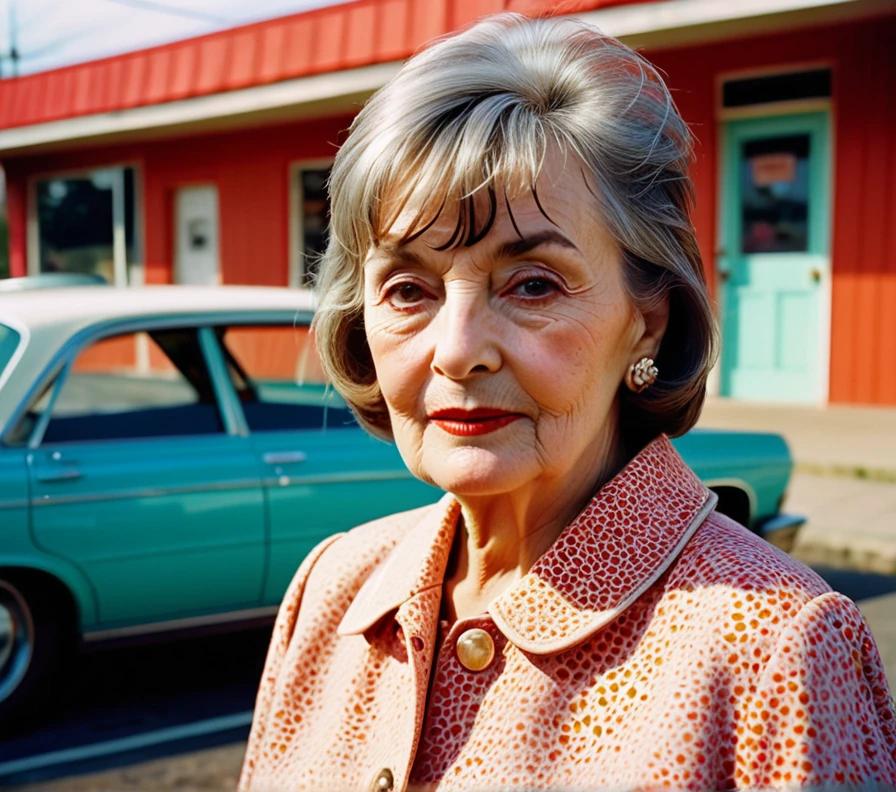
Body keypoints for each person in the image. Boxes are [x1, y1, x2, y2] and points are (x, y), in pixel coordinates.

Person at [239, 13, 896, 791]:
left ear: (646, 321)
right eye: (408, 288)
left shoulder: (775, 649)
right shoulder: (332, 589)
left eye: (532, 284)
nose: (456, 349)